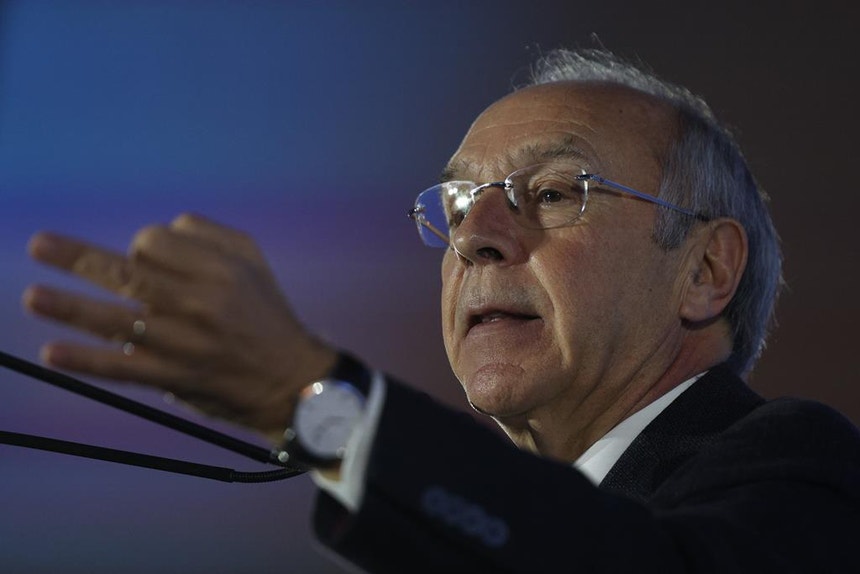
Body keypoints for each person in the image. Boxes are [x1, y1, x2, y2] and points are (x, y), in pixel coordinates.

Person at [22, 48, 860, 572]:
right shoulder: (457, 535)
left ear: (706, 270)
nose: (476, 237)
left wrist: (316, 402)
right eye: (458, 206)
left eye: (554, 192)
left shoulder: (806, 472)